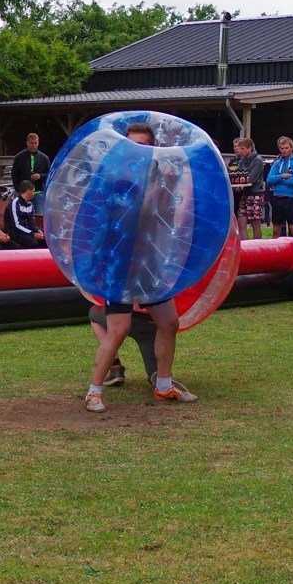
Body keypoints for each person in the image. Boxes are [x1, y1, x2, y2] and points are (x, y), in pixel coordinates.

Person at [85, 121, 196, 412]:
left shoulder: (159, 176)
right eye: (132, 145)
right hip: (119, 260)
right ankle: (94, 392)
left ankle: (163, 385)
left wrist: (169, 186)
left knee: (169, 322)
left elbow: (165, 219)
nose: (138, 151)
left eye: (143, 146)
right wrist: (164, 186)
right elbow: (138, 212)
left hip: (147, 259)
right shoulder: (117, 178)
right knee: (118, 328)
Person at [91, 303, 159, 388]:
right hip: (154, 321)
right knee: (156, 374)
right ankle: (162, 380)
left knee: (93, 312)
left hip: (125, 317)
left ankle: (114, 367)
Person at [265, 136, 293, 239]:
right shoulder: (277, 163)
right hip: (277, 197)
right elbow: (269, 179)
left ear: (291, 148)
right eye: (282, 148)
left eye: (286, 148)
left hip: (290, 197)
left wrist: (278, 181)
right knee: (276, 230)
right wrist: (282, 176)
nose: (284, 150)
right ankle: (276, 251)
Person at [230, 137, 268, 241]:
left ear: (249, 148)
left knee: (255, 222)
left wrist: (241, 183)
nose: (240, 151)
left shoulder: (258, 160)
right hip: (245, 193)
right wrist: (237, 184)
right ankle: (245, 245)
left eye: (242, 148)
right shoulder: (243, 160)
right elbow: (238, 174)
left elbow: (252, 178)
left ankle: (257, 245)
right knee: (241, 221)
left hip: (255, 194)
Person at [12, 132, 51, 197]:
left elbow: (49, 175)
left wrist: (40, 176)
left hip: (38, 192)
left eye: (35, 143)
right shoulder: (19, 157)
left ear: (38, 143)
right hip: (23, 193)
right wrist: (18, 190)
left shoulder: (44, 158)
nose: (33, 145)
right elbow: (14, 174)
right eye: (31, 143)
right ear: (27, 143)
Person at [7, 180, 44, 247]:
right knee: (33, 243)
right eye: (33, 191)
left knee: (45, 238)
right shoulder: (15, 203)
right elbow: (17, 225)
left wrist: (37, 231)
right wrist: (33, 234)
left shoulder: (29, 204)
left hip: (25, 230)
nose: (33, 193)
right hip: (14, 231)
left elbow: (31, 224)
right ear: (28, 191)